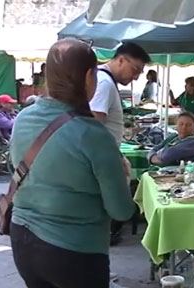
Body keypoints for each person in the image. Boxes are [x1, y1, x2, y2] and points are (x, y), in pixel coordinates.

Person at [9, 38, 135, 288]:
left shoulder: (23, 119)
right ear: (89, 77)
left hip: (22, 241)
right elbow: (121, 210)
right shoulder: (93, 135)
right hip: (74, 251)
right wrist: (125, 177)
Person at [89, 42, 151, 244]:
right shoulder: (104, 83)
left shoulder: (103, 81)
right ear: (121, 59)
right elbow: (95, 124)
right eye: (136, 70)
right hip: (103, 160)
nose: (136, 77)